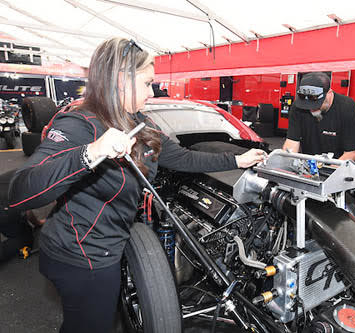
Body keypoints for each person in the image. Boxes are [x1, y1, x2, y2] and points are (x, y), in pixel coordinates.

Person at [8, 37, 266, 333]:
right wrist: (90, 153)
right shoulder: (78, 125)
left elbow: (184, 158)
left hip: (108, 245)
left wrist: (237, 161)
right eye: (146, 83)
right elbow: (20, 191)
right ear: (120, 80)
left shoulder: (139, 123)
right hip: (83, 258)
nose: (151, 91)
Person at [282, 72, 355, 161]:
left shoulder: (347, 107)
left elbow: (352, 153)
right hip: (309, 165)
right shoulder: (297, 107)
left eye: (316, 104)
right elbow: (292, 142)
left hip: (337, 164)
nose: (311, 109)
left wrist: (330, 171)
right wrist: (285, 165)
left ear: (329, 93)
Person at [0, 169, 33, 263]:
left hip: (6, 207)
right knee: (25, 238)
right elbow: (27, 208)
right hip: (4, 210)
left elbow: (27, 208)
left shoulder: (22, 170)